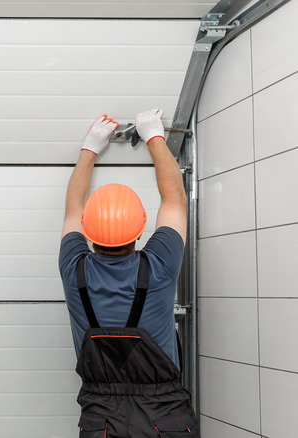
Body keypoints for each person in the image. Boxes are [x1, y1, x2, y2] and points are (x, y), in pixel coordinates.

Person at [58, 110, 199, 437]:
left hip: (100, 421)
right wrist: (154, 137)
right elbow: (174, 199)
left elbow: (73, 208)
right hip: (167, 420)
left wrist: (89, 148)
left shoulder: (72, 267)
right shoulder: (160, 265)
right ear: (139, 232)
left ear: (87, 232)